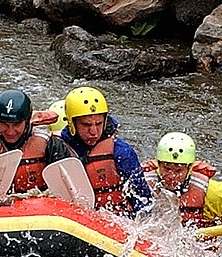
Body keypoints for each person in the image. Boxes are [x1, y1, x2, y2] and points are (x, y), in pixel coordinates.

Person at [143, 131, 222, 257]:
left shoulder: (213, 193)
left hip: (199, 255)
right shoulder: (142, 184)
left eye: (179, 170)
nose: (172, 176)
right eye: (167, 169)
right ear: (158, 164)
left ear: (190, 168)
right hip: (154, 247)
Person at [0, 89, 74, 195]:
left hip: (37, 210)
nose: (10, 131)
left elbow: (68, 188)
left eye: (17, 124)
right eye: (4, 124)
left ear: (27, 121)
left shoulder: (49, 144)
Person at [57, 86, 152, 216]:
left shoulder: (122, 153)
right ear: (72, 123)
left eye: (99, 123)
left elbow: (143, 201)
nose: (94, 132)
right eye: (86, 125)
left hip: (115, 219)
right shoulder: (58, 149)